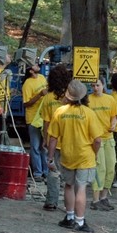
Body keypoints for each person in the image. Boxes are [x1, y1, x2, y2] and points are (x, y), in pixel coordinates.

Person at [46, 80, 105, 233]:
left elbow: (52, 138)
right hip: (85, 156)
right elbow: (97, 140)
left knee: (68, 185)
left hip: (67, 155)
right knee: (82, 188)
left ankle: (69, 217)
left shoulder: (60, 112)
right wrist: (95, 152)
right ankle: (80, 221)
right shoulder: (89, 113)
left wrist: (50, 158)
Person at [39, 65, 72, 211]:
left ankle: (51, 202)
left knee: (53, 171)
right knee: (70, 174)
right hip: (71, 140)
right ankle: (69, 204)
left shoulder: (47, 98)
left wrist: (45, 139)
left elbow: (46, 122)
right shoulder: (71, 96)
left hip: (54, 140)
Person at [88, 76, 117, 211]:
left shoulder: (110, 99)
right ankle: (95, 200)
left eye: (98, 85)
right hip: (95, 139)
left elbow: (114, 116)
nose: (95, 88)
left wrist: (113, 125)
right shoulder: (88, 100)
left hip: (109, 138)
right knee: (100, 169)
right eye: (93, 86)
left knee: (111, 168)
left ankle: (104, 197)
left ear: (103, 85)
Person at [21, 58, 48, 183]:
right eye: (35, 65)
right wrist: (39, 95)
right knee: (36, 146)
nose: (38, 65)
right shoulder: (27, 84)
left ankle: (46, 171)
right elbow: (26, 103)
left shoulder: (42, 77)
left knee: (44, 146)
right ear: (31, 70)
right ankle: (37, 172)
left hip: (43, 116)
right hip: (33, 119)